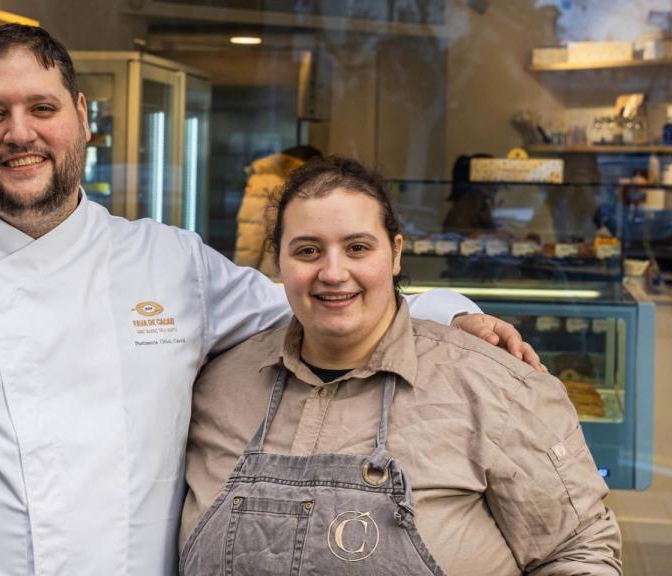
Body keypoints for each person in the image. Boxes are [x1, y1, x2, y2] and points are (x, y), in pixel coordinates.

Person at [0, 25, 539, 576]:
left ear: (83, 121)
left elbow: (310, 302)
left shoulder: (168, 265)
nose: (20, 132)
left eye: (42, 108)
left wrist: (444, 313)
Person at [180, 156, 622, 575]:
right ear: (278, 260)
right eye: (308, 251)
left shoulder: (497, 390)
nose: (333, 273)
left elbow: (578, 552)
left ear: (394, 255)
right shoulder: (217, 389)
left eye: (357, 247)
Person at [234, 145, 321, 279]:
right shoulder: (314, 183)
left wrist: (240, 275)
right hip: (302, 271)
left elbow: (251, 232)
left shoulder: (263, 180)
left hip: (269, 273)